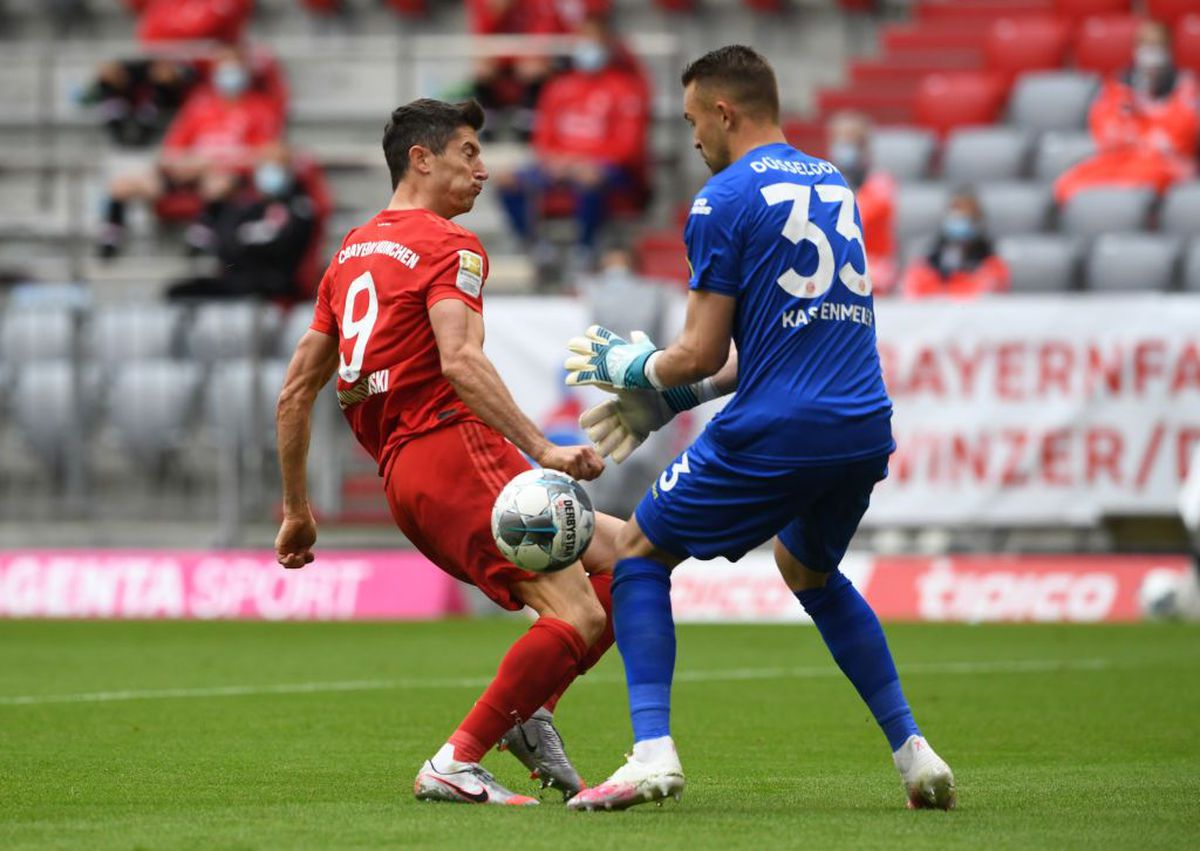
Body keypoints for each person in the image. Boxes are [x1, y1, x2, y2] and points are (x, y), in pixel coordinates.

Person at [561, 46, 956, 812]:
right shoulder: (832, 182)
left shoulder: (722, 199)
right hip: (863, 424)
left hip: (783, 428)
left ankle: (651, 753)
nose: (692, 140)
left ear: (724, 112)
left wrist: (635, 364)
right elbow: (779, 339)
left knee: (640, 553)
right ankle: (915, 752)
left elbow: (699, 349)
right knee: (808, 570)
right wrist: (675, 402)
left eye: (692, 122)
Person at [273, 98, 624, 805]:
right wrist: (543, 449)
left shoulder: (349, 254)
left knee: (632, 553)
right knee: (578, 615)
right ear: (421, 158)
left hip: (407, 475)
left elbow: (293, 394)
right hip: (454, 448)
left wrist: (297, 509)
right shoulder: (450, 246)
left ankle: (529, 712)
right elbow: (459, 360)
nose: (484, 170)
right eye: (469, 152)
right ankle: (457, 758)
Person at [98, 44, 285, 258]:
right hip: (189, 172)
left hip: (228, 175)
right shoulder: (199, 105)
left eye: (234, 67)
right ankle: (110, 238)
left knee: (218, 184)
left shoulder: (260, 108)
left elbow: (266, 154)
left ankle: (200, 237)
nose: (228, 74)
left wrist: (213, 162)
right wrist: (183, 165)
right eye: (223, 67)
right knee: (122, 184)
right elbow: (172, 149)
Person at [497, 12, 650, 270]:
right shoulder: (558, 87)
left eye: (593, 39)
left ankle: (585, 250)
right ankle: (537, 248)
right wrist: (559, 162)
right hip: (561, 166)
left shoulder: (626, 88)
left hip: (610, 171)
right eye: (582, 38)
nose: (586, 45)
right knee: (507, 180)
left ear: (608, 44)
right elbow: (542, 140)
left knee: (590, 179)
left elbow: (629, 148)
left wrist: (584, 163)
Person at [1055, 19, 1199, 204]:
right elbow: (1105, 131)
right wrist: (1131, 112)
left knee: (1144, 179)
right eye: (1145, 44)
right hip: (1121, 159)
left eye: (1157, 45)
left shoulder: (1186, 86)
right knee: (1070, 182)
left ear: (1169, 49)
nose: (1151, 52)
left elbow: (1181, 138)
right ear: (1135, 48)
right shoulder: (1119, 85)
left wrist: (1149, 115)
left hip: (1163, 163)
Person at [167, 142, 319, 302]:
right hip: (241, 279)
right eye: (264, 165)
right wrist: (215, 206)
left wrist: (237, 241)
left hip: (274, 283)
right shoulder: (247, 206)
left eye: (276, 165)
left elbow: (275, 245)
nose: (268, 172)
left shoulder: (298, 206)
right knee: (180, 292)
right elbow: (207, 244)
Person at [826, 111, 897, 295]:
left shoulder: (881, 182)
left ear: (864, 147)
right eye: (839, 142)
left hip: (874, 267)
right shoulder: (824, 180)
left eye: (851, 142)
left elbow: (854, 222)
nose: (843, 148)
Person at [900, 188, 1008, 299]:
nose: (959, 215)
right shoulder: (929, 258)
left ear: (977, 217)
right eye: (955, 209)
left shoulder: (992, 263)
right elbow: (913, 290)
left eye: (966, 211)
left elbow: (982, 292)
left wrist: (948, 288)